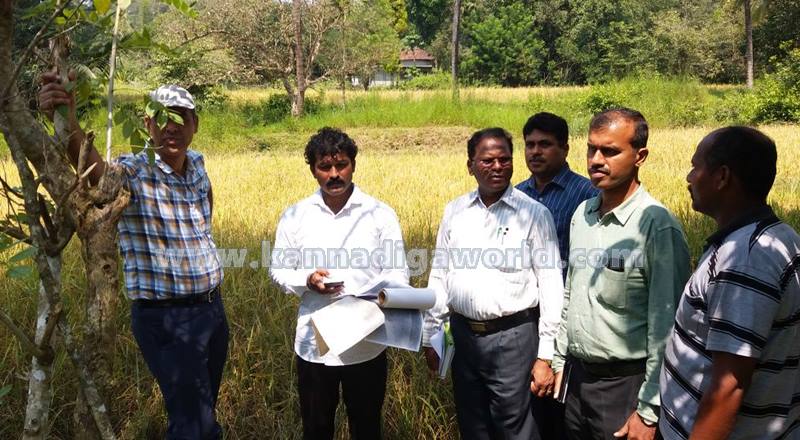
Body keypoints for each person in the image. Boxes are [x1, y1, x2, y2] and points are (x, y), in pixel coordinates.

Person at [39, 74, 229, 439]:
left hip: (211, 311)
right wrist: (68, 120)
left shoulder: (197, 164)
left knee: (200, 410)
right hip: (167, 318)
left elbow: (206, 211)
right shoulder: (133, 171)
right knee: (196, 426)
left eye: (180, 117)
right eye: (162, 117)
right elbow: (96, 176)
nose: (171, 127)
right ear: (147, 124)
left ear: (195, 124)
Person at [552, 108, 690, 440]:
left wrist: (649, 409)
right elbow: (572, 292)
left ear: (640, 156)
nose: (596, 160)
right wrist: (559, 359)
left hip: (625, 387)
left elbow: (667, 327)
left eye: (610, 151)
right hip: (577, 380)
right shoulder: (583, 215)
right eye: (591, 149)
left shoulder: (656, 226)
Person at [422, 127, 564, 440]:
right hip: (464, 338)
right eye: (487, 161)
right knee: (473, 426)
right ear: (470, 166)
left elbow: (551, 286)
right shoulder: (455, 211)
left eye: (504, 159)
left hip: (513, 339)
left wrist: (545, 355)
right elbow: (440, 274)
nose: (497, 166)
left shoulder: (533, 214)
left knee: (516, 429)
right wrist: (431, 334)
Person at [660, 127, 800, 439]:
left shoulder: (745, 259)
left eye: (695, 166)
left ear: (722, 177)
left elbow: (729, 385)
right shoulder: (774, 236)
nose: (688, 178)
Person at [269, 127, 409, 440]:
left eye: (341, 164)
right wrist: (307, 280)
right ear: (313, 170)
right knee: (316, 429)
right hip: (315, 345)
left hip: (367, 344)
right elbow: (278, 270)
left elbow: (398, 272)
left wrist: (381, 296)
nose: (334, 174)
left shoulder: (379, 214)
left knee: (367, 427)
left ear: (353, 165)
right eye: (325, 167)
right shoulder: (295, 216)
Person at [516, 112, 598, 277]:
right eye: (530, 145)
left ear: (565, 149)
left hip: (566, 291)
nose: (535, 151)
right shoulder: (517, 195)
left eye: (544, 144)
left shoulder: (589, 194)